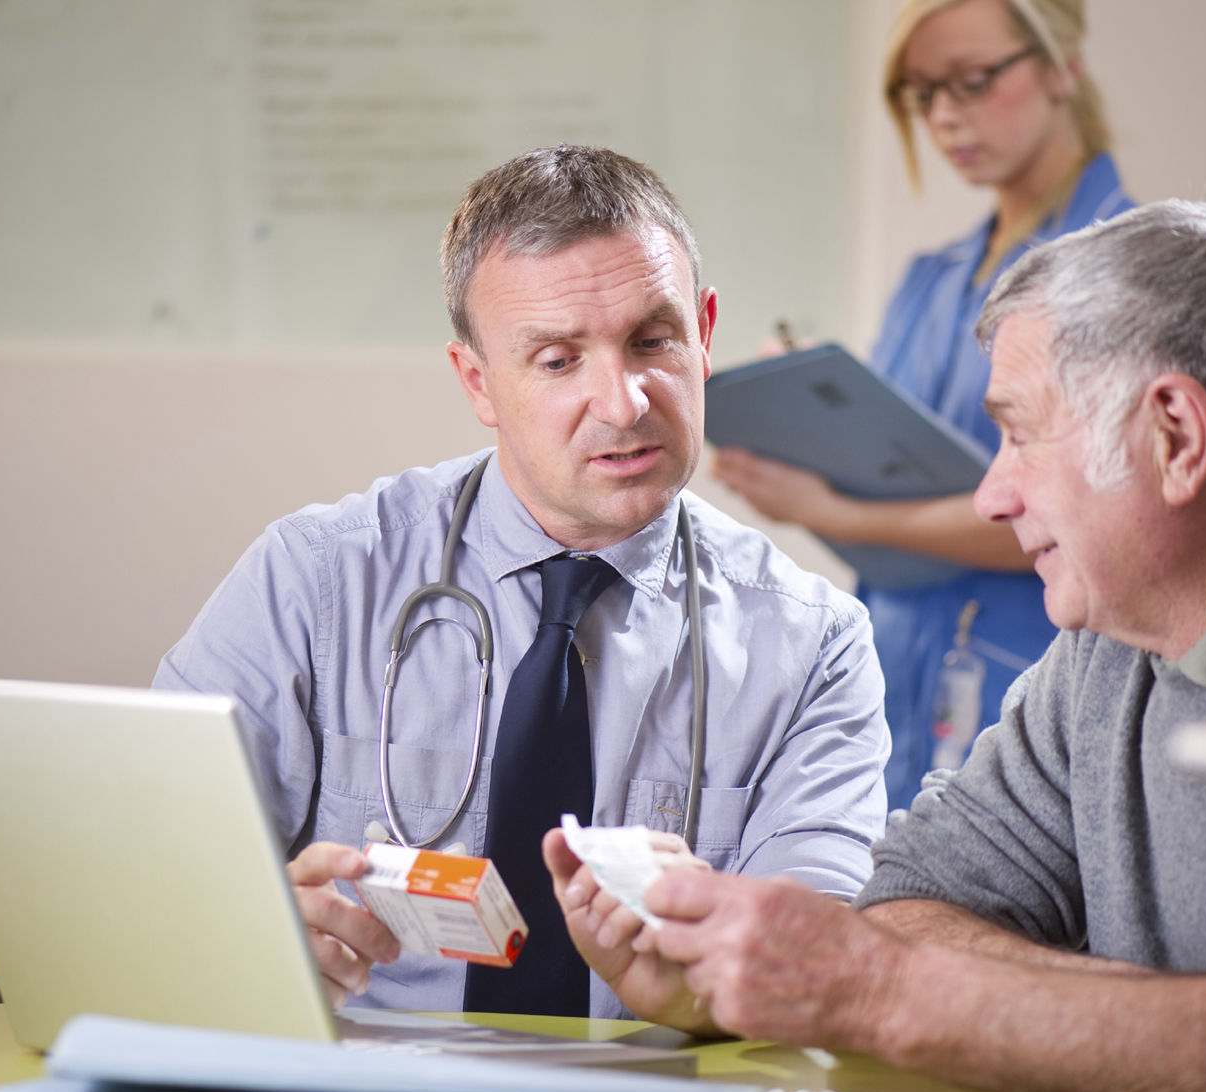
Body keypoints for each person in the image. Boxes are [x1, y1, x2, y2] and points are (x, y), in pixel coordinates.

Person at [623, 202, 1206, 1092]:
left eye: (1019, 435)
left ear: (1176, 438)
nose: (993, 497)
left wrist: (882, 991)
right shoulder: (1108, 643)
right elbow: (910, 900)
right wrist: (1184, 1029)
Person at [153, 145, 888, 1022]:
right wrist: (241, 936)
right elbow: (144, 873)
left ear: (705, 332)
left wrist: (708, 983)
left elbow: (818, 962)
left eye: (654, 340)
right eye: (558, 359)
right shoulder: (316, 580)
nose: (623, 403)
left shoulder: (814, 645)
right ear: (478, 382)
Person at [714, 0, 1133, 809]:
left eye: (972, 81)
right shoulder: (930, 278)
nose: (945, 116)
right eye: (922, 94)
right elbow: (887, 478)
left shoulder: (1127, 270)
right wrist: (804, 430)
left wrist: (834, 512)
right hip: (901, 675)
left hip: (1034, 685)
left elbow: (1078, 512)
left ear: (1063, 67)